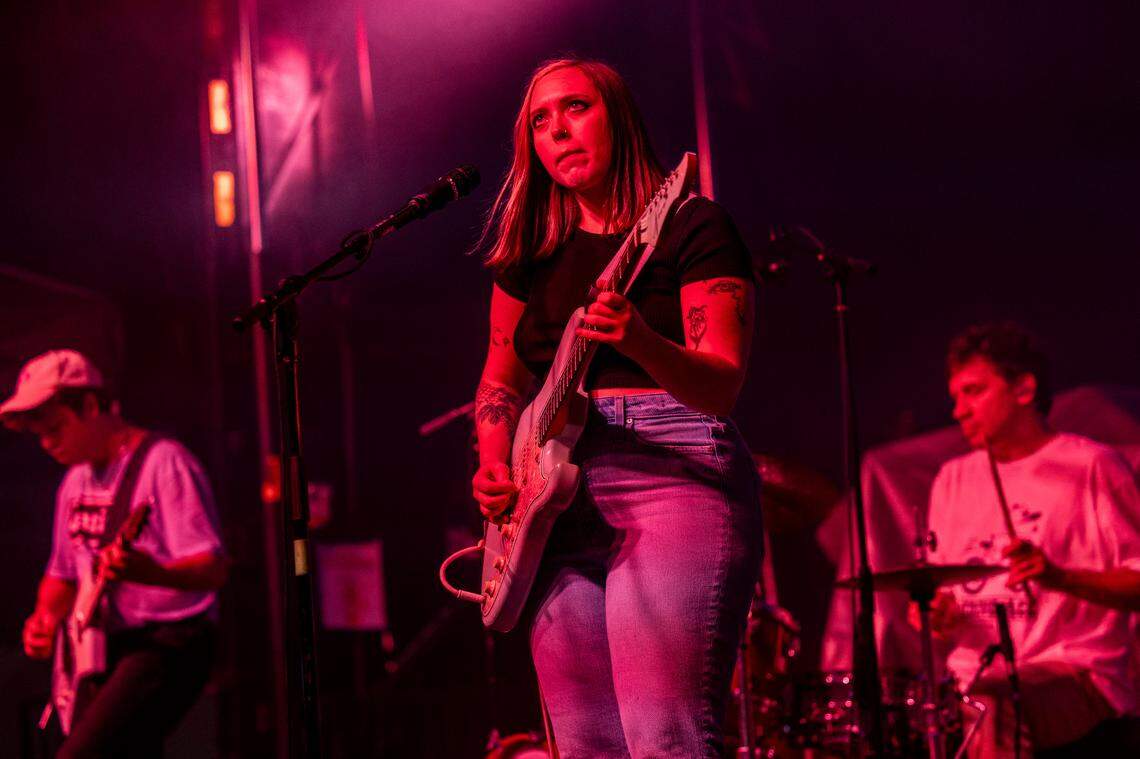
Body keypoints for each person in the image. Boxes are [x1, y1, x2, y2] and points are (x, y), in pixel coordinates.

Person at [469, 58, 763, 758]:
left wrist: (642, 340)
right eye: (539, 120)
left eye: (575, 108)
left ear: (618, 118)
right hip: (549, 505)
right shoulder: (529, 254)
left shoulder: (691, 226)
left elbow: (720, 386)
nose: (556, 131)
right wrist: (490, 462)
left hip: (670, 471)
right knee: (585, 745)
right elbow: (499, 379)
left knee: (666, 735)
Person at [922, 323, 1140, 758]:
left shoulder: (1092, 466)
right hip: (968, 677)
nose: (958, 411)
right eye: (955, 397)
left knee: (992, 702)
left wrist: (1060, 578)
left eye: (974, 391)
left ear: (1023, 389)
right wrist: (932, 614)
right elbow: (935, 599)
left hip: (1077, 671)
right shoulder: (951, 479)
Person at [3, 349, 228, 757]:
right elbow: (63, 573)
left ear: (90, 405)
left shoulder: (165, 464)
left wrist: (153, 573)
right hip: (105, 648)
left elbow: (213, 569)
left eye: (55, 428)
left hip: (170, 642)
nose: (47, 444)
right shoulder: (74, 482)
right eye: (40, 435)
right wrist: (44, 617)